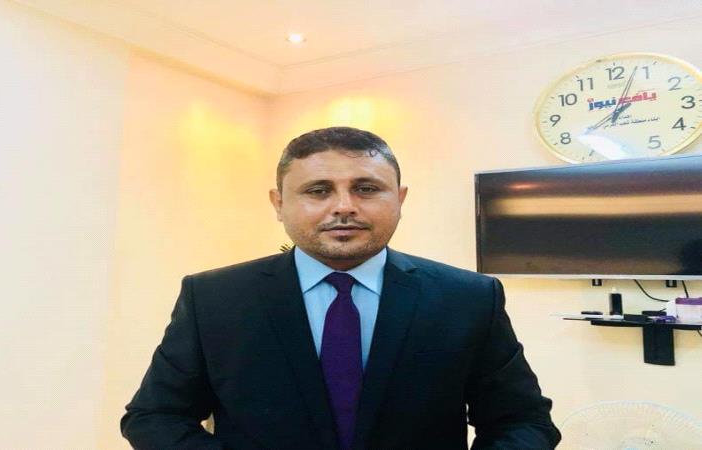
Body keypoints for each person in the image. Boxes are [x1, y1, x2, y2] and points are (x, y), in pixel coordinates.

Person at [121, 127, 561, 449]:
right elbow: (155, 416)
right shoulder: (214, 298)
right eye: (318, 191)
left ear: (400, 199)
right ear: (279, 203)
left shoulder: (469, 298)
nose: (344, 207)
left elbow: (523, 422)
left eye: (367, 189)